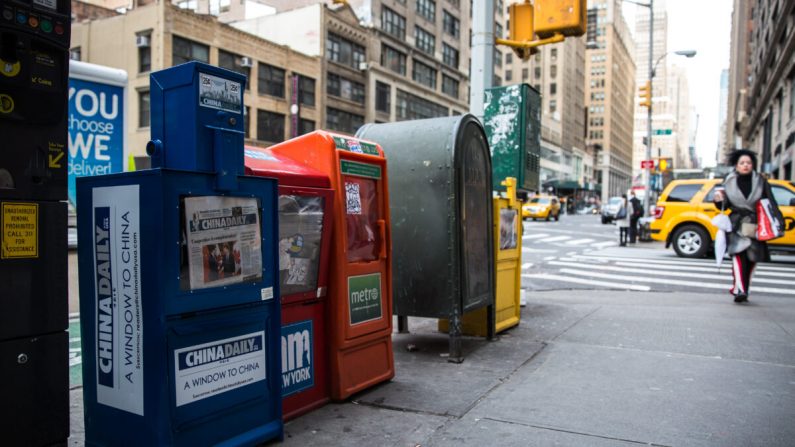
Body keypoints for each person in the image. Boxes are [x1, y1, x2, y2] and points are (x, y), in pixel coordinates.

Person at [713, 149, 784, 303]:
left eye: (748, 163)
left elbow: (771, 202)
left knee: (752, 258)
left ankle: (743, 287)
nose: (745, 165)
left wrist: (779, 222)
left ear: (753, 165)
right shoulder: (728, 181)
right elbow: (723, 205)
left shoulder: (761, 181)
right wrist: (718, 200)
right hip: (736, 223)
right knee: (738, 255)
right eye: (742, 163)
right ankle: (741, 289)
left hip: (756, 223)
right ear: (736, 165)